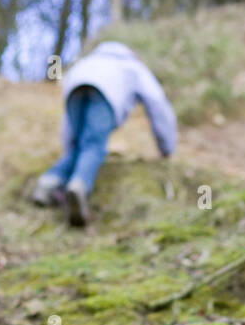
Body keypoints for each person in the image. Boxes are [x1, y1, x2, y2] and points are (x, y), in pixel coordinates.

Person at [32, 41, 177, 227]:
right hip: (104, 95)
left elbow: (68, 121)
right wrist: (167, 147)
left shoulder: (86, 62)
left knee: (80, 145)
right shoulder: (133, 67)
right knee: (94, 146)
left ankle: (48, 183)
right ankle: (79, 186)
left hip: (75, 88)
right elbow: (157, 105)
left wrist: (69, 145)